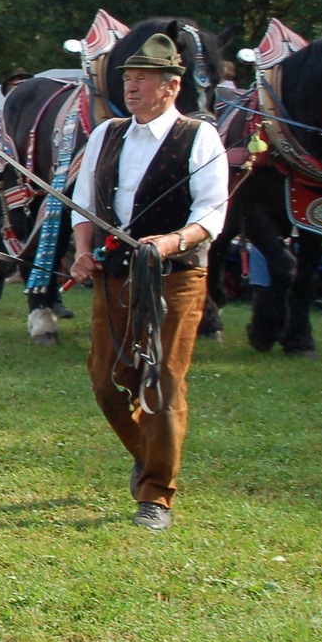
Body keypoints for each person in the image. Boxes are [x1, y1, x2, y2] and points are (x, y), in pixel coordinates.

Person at [68, 33, 228, 532]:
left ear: (171, 85)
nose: (131, 87)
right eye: (128, 79)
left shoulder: (199, 137)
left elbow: (213, 214)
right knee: (105, 379)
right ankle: (150, 452)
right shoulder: (107, 134)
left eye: (142, 79)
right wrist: (81, 252)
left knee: (162, 380)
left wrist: (169, 242)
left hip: (176, 276)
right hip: (114, 272)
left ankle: (157, 493)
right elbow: (83, 202)